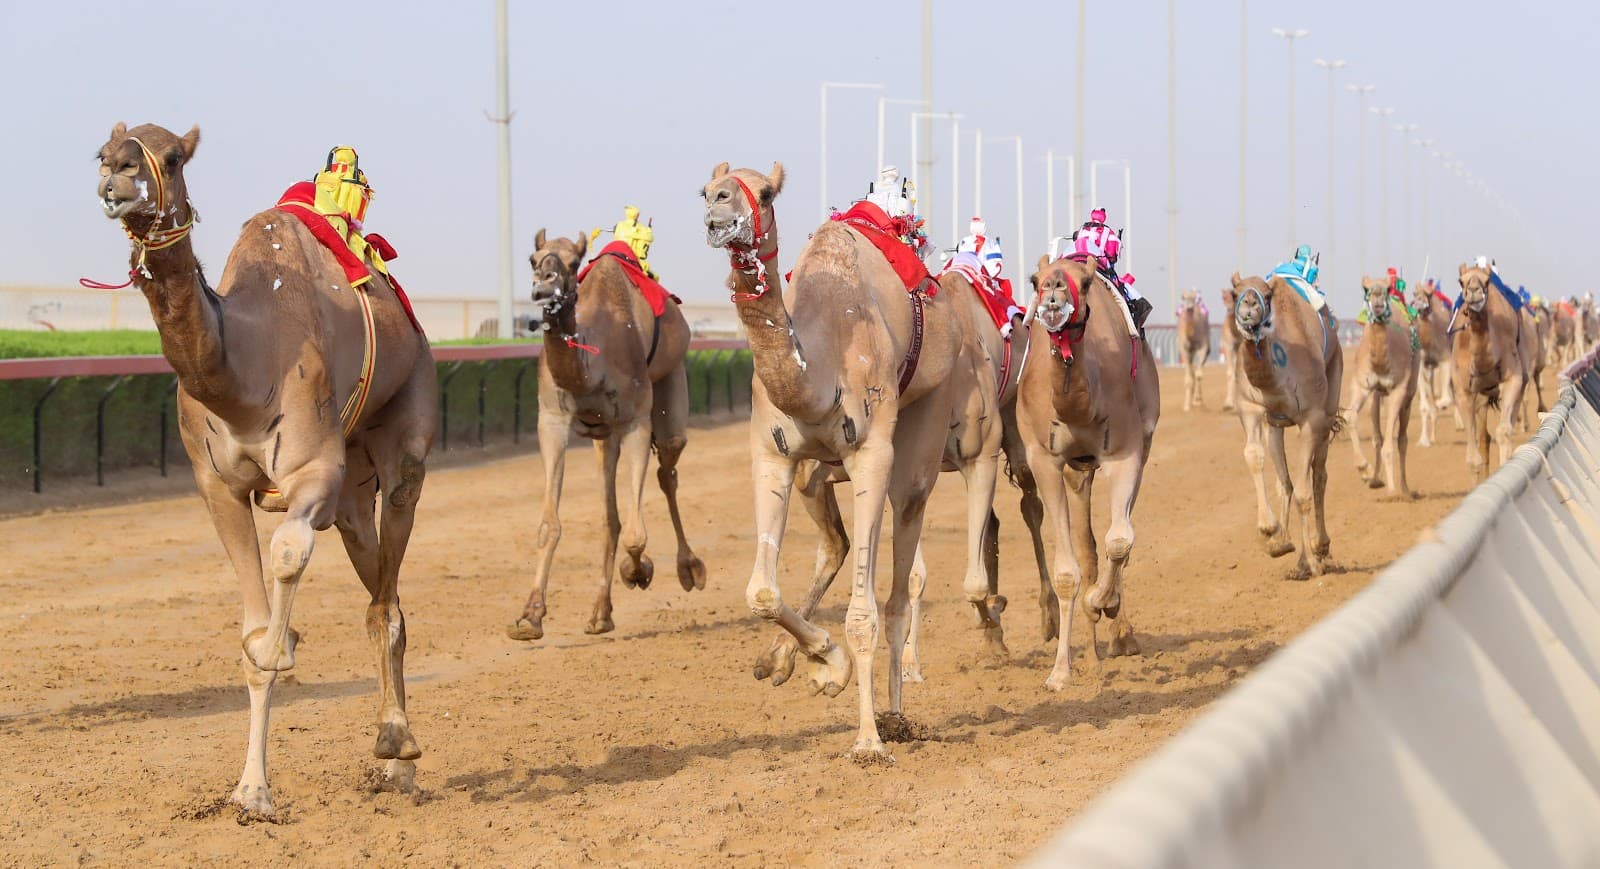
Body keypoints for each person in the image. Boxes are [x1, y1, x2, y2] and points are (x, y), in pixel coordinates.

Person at [1072, 207, 1151, 328]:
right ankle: (1132, 328)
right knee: (1129, 295)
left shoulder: (1081, 230)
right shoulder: (1109, 233)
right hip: (1100, 266)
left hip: (1075, 263)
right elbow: (1112, 256)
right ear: (1104, 217)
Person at [609, 205, 658, 280]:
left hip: (614, 254)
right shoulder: (643, 229)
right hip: (632, 259)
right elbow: (641, 254)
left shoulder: (619, 225)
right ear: (637, 215)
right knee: (654, 278)